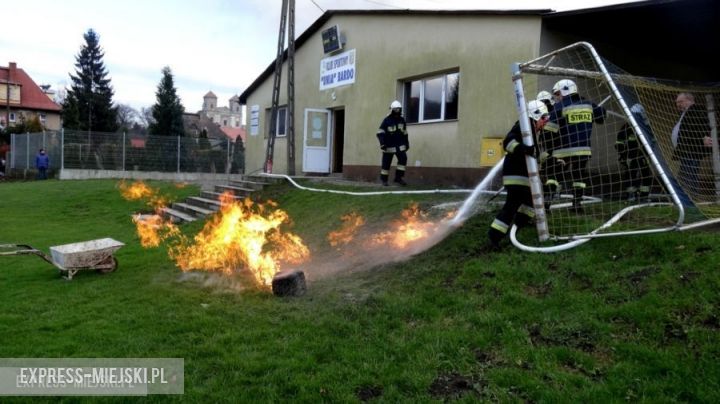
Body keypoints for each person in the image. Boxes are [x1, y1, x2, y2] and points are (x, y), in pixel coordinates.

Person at [487, 100, 549, 249]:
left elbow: (535, 154)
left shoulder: (532, 132)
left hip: (523, 177)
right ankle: (494, 236)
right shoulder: (523, 126)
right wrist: (524, 149)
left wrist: (550, 159)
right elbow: (508, 142)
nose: (546, 122)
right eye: (544, 118)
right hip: (517, 176)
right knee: (512, 206)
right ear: (535, 115)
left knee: (528, 204)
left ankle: (516, 227)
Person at [549, 79, 606, 212]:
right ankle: (576, 205)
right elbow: (602, 117)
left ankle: (546, 203)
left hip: (562, 150)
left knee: (555, 176)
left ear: (565, 90)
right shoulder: (588, 105)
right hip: (583, 150)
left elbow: (550, 130)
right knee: (579, 176)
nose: (558, 97)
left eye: (558, 93)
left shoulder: (559, 107)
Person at [671, 92, 712, 200]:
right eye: (676, 103)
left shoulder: (696, 109)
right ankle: (686, 198)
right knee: (685, 175)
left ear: (689, 100)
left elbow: (702, 124)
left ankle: (691, 199)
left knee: (689, 175)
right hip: (685, 150)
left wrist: (704, 137)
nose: (678, 105)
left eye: (680, 102)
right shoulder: (685, 113)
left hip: (691, 150)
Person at [616, 103, 652, 201]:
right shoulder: (626, 127)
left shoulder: (647, 127)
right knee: (630, 175)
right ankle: (631, 195)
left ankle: (644, 196)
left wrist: (649, 156)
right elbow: (619, 142)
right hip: (630, 156)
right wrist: (623, 155)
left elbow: (652, 142)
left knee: (645, 175)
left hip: (643, 156)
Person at [536, 90, 563, 207]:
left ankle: (548, 197)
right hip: (555, 151)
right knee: (553, 175)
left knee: (548, 174)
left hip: (548, 150)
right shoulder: (555, 112)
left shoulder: (544, 115)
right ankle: (549, 197)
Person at [376, 100, 409, 186]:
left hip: (400, 145)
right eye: (396, 109)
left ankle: (398, 178)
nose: (398, 111)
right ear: (392, 110)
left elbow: (405, 133)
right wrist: (382, 143)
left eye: (399, 109)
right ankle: (384, 180)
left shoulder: (402, 120)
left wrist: (406, 143)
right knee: (386, 164)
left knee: (403, 159)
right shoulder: (387, 120)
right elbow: (380, 132)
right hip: (389, 146)